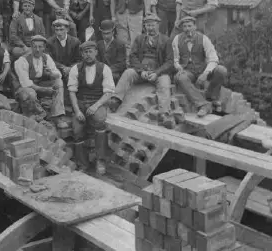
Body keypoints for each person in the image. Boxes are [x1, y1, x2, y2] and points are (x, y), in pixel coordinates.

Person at [107, 14, 175, 128]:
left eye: (153, 25)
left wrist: (157, 73)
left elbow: (169, 61)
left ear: (158, 25)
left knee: (165, 82)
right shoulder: (139, 39)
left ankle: (164, 114)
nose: (150, 28)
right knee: (128, 73)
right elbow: (132, 56)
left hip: (158, 73)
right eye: (148, 25)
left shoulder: (166, 40)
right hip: (142, 72)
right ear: (145, 26)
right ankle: (115, 100)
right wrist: (140, 71)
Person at [67, 41, 115, 175]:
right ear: (82, 54)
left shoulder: (104, 68)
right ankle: (82, 163)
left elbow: (108, 92)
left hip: (97, 102)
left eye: (90, 51)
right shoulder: (75, 69)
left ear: (96, 52)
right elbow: (72, 92)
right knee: (77, 129)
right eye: (85, 52)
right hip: (80, 103)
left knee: (100, 122)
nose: (88, 55)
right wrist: (77, 111)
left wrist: (96, 105)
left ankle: (100, 160)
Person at [172, 16, 227, 117]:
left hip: (202, 69)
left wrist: (205, 73)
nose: (187, 28)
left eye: (189, 26)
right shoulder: (177, 39)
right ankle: (203, 105)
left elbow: (214, 58)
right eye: (184, 26)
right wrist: (179, 68)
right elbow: (175, 59)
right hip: (188, 70)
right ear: (182, 28)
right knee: (181, 77)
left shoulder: (204, 38)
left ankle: (212, 96)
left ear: (195, 26)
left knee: (221, 70)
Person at [14, 35, 66, 126]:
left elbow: (58, 74)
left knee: (58, 83)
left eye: (40, 47)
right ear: (31, 47)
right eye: (35, 47)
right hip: (24, 89)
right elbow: (26, 84)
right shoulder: (22, 60)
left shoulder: (46, 57)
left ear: (44, 47)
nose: (37, 49)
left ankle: (57, 116)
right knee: (30, 93)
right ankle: (37, 116)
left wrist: (51, 74)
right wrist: (45, 90)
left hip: (40, 86)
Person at [46, 19, 81, 85]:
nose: (59, 33)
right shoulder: (49, 42)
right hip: (56, 70)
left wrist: (70, 68)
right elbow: (49, 60)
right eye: (57, 30)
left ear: (67, 30)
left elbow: (79, 60)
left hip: (72, 70)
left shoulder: (75, 42)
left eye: (61, 30)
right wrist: (63, 68)